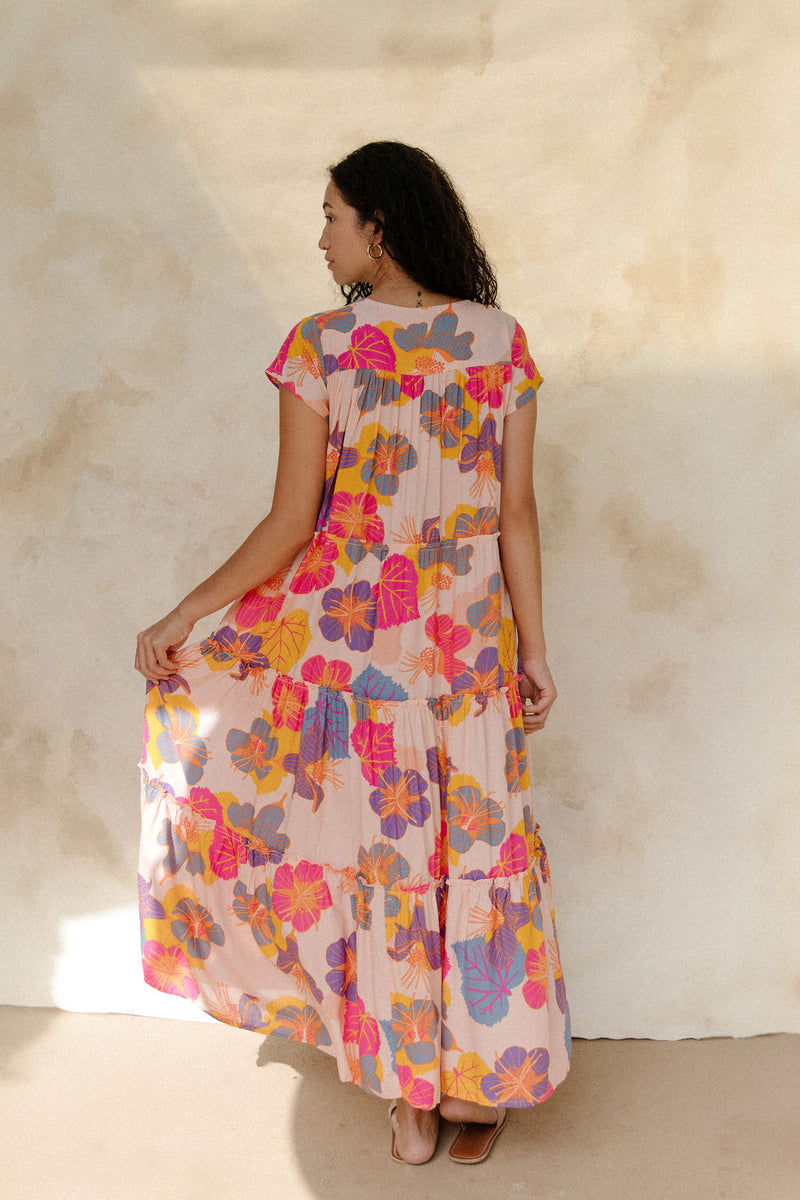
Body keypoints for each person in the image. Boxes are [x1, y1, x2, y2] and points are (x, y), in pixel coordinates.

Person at [136, 141, 570, 1166]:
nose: (320, 236)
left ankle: (408, 1102)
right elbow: (514, 513)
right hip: (464, 659)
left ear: (376, 224)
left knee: (383, 867)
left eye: (330, 215)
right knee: (473, 859)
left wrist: (188, 615)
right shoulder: (497, 343)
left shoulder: (322, 346)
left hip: (357, 662)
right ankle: (473, 1089)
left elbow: (293, 522)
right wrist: (535, 651)